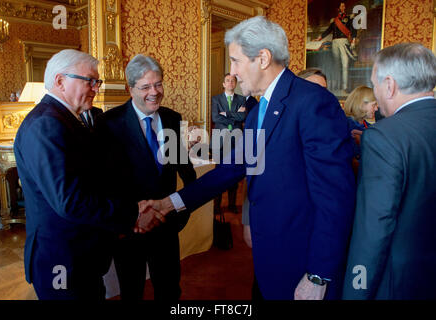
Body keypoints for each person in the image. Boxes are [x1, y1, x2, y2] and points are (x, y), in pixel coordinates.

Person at [141, 16, 356, 300]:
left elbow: (335, 197)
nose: (232, 72)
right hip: (270, 255)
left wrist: (318, 274)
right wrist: (170, 203)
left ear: (263, 58)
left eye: (235, 61)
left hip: (302, 258)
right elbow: (230, 169)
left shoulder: (313, 102)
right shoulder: (258, 110)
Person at [13, 49, 160, 300]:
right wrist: (132, 214)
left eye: (97, 82)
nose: (96, 88)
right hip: (62, 261)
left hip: (81, 257)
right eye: (89, 81)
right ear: (60, 81)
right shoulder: (46, 124)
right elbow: (70, 201)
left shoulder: (69, 119)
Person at [94, 54, 196, 301]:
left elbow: (185, 169)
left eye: (158, 84)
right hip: (131, 230)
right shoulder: (109, 123)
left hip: (166, 226)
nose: (155, 92)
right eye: (146, 86)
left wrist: (182, 213)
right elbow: (104, 182)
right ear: (131, 89)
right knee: (132, 292)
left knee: (170, 289)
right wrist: (126, 220)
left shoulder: (172, 118)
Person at [342, 43, 436, 300]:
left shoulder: (384, 136)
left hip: (399, 281)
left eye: (375, 84)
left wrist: (355, 291)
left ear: (390, 85)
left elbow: (373, 229)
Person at [211, 73, 247, 214]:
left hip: (237, 141)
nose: (230, 83)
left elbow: (243, 116)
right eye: (227, 80)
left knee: (234, 173)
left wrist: (226, 114)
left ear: (235, 83)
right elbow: (215, 117)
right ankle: (217, 207)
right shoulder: (216, 99)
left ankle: (232, 206)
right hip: (220, 140)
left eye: (233, 80)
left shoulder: (242, 99)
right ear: (223, 84)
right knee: (219, 173)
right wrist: (234, 116)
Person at [315, 2, 357, 94]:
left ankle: (345, 86)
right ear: (338, 8)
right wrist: (320, 37)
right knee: (336, 64)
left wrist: (353, 39)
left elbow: (353, 29)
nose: (344, 7)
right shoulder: (334, 20)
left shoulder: (349, 18)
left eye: (344, 6)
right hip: (335, 43)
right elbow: (329, 30)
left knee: (345, 63)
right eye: (342, 6)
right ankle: (337, 85)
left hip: (343, 42)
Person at [344, 85, 378, 160]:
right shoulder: (344, 125)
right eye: (374, 105)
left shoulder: (369, 127)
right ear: (361, 104)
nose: (376, 109)